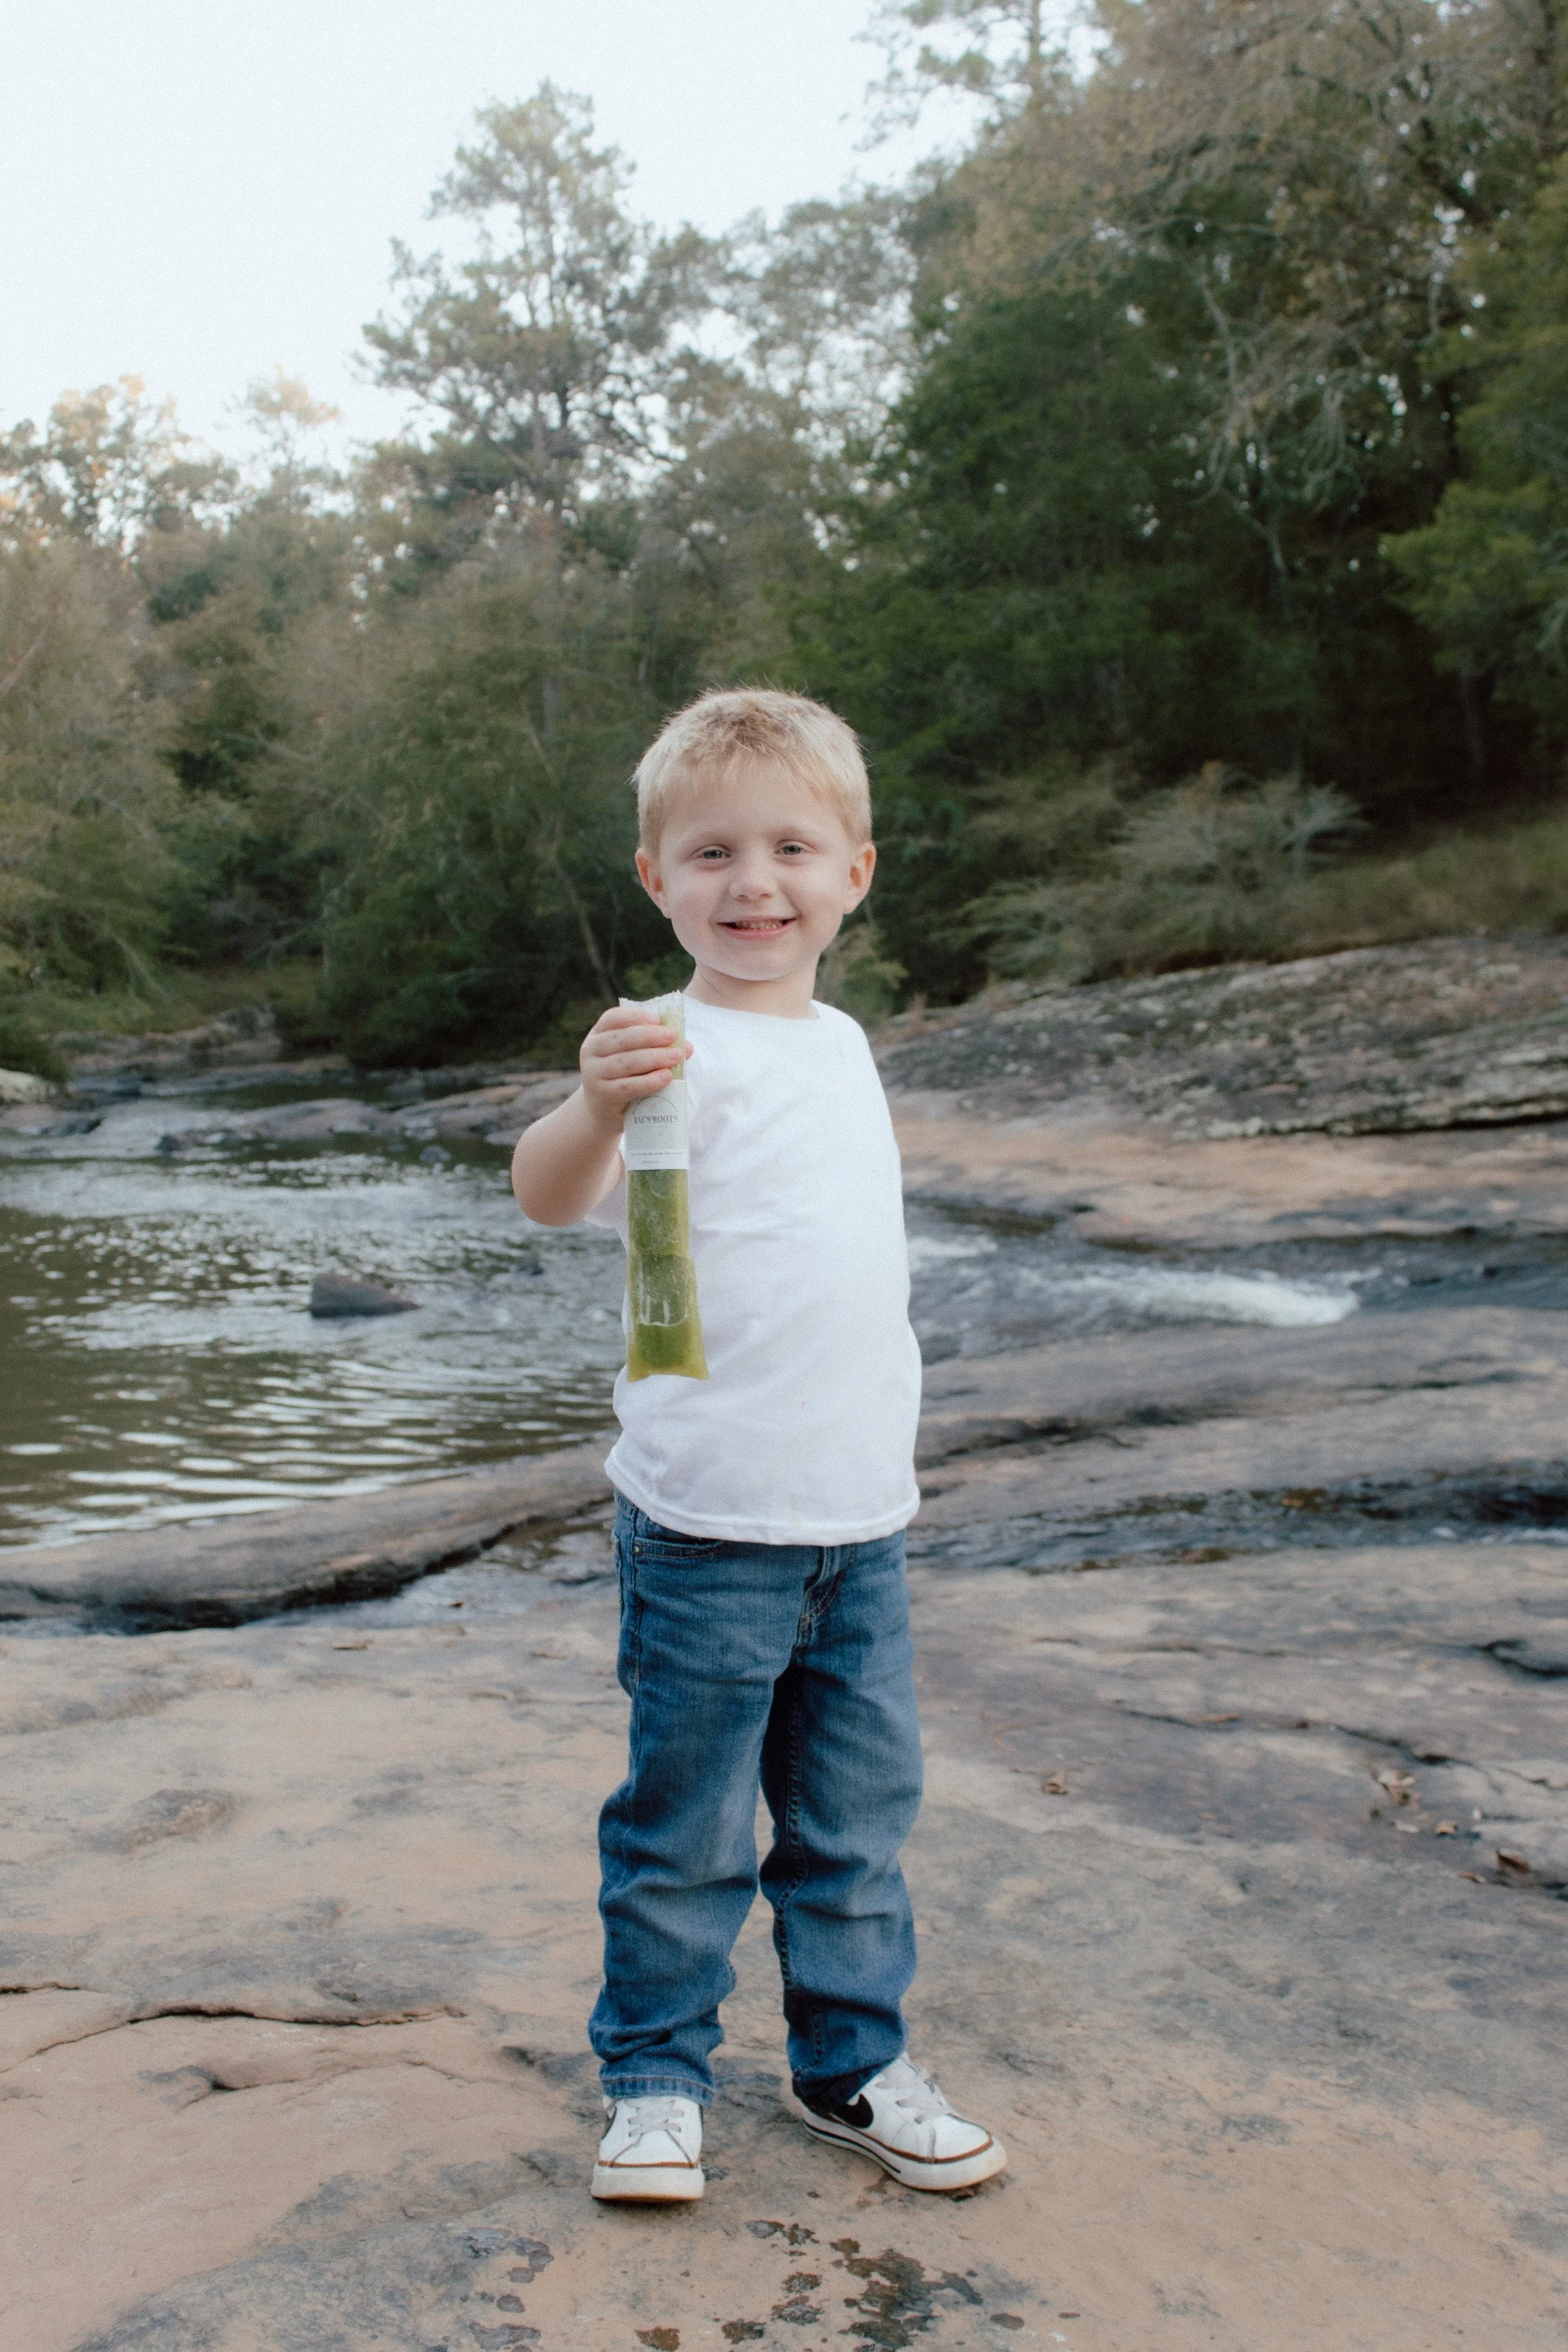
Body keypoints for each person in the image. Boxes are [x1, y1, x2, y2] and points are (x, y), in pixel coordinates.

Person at [511, 687, 1006, 2203]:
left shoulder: (846, 1041)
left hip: (860, 1523)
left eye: (792, 847)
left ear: (855, 872)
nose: (754, 882)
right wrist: (591, 1106)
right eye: (712, 852)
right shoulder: (656, 1047)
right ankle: (655, 2078)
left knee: (854, 1826)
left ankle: (848, 2064)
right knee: (686, 1830)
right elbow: (545, 1194)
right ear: (656, 879)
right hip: (708, 1521)